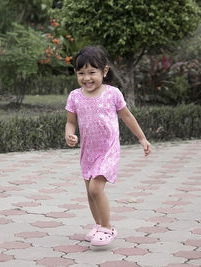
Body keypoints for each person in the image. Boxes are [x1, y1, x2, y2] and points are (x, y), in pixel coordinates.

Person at [65, 45, 151, 246]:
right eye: (81, 73)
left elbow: (127, 117)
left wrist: (142, 138)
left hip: (108, 150)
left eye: (92, 72)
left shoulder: (113, 94)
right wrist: (70, 134)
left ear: (104, 71)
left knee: (96, 189)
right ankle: (98, 225)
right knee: (90, 193)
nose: (87, 78)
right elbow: (71, 122)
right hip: (88, 152)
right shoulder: (74, 97)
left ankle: (107, 227)